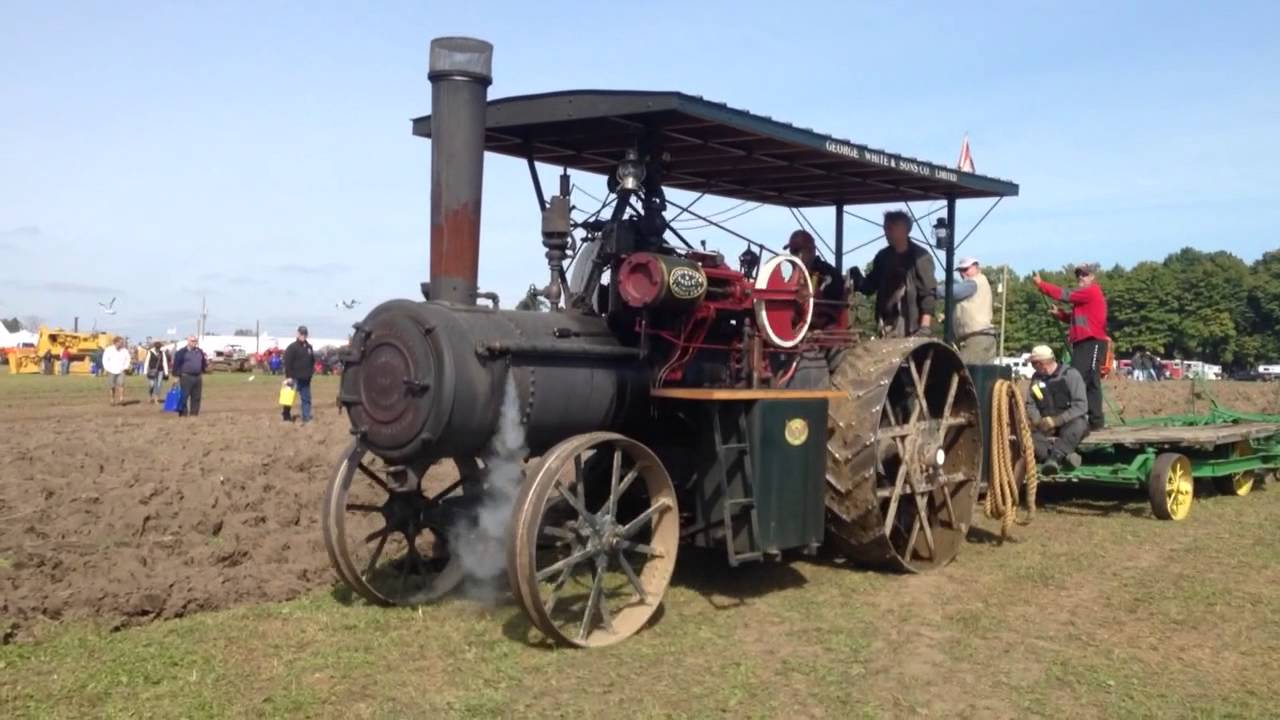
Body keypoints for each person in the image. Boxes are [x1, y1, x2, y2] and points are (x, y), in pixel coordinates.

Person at [1034, 263, 1108, 430]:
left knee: (1079, 379)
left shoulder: (1090, 292)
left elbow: (1065, 294)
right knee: (1088, 381)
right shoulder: (1084, 301)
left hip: (1092, 341)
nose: (1081, 277)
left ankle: (1079, 418)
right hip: (1084, 342)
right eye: (1078, 275)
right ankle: (1093, 420)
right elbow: (1077, 321)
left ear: (1092, 277)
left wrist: (1042, 285)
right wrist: (1060, 314)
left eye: (1084, 274)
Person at [850, 210, 937, 337]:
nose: (886, 233)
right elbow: (870, 286)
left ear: (904, 230)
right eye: (885, 229)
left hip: (911, 327)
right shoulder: (883, 257)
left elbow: (928, 293)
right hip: (886, 325)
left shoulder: (920, 257)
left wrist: (924, 327)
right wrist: (856, 279)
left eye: (890, 228)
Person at [1025, 344, 1089, 475]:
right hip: (1045, 427)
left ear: (1042, 363)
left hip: (1069, 424)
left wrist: (1056, 421)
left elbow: (1081, 406)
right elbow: (1030, 404)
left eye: (1033, 364)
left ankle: (1053, 458)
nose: (1033, 368)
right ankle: (1063, 458)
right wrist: (1039, 421)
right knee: (1026, 434)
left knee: (1080, 424)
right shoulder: (1036, 379)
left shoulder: (1071, 375)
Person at [784, 229, 845, 329]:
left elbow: (829, 308)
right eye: (792, 252)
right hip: (800, 324)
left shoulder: (828, 273)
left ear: (811, 250)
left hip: (823, 326)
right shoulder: (797, 274)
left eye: (796, 251)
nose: (793, 256)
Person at [944, 257, 997, 364]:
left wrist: (931, 291)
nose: (963, 274)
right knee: (980, 377)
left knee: (964, 373)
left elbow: (951, 292)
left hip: (976, 339)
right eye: (960, 271)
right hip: (985, 338)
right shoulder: (982, 282)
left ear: (977, 268)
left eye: (966, 269)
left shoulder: (973, 283)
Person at [282, 325, 315, 423]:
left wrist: (310, 373)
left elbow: (312, 361)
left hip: (305, 378)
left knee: (306, 399)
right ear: (297, 334)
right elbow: (288, 363)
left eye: (305, 334)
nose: (303, 335)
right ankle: (286, 416)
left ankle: (306, 418)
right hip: (293, 377)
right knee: (288, 398)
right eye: (301, 333)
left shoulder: (309, 347)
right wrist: (288, 377)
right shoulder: (292, 347)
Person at [172, 336, 209, 417]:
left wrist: (204, 369)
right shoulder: (181, 352)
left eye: (195, 341)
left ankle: (194, 413)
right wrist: (176, 376)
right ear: (188, 341)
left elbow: (203, 362)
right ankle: (183, 414)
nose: (194, 342)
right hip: (186, 377)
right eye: (192, 341)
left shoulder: (199, 351)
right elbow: (176, 365)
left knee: (196, 397)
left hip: (198, 377)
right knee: (184, 396)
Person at [102, 336, 132, 406]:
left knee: (121, 385)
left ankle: (121, 399)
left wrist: (125, 367)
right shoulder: (109, 350)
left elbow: (128, 359)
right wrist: (106, 368)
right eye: (120, 342)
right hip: (111, 370)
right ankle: (112, 399)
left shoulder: (124, 351)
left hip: (121, 370)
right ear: (115, 342)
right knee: (112, 386)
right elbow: (105, 359)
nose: (122, 344)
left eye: (122, 342)